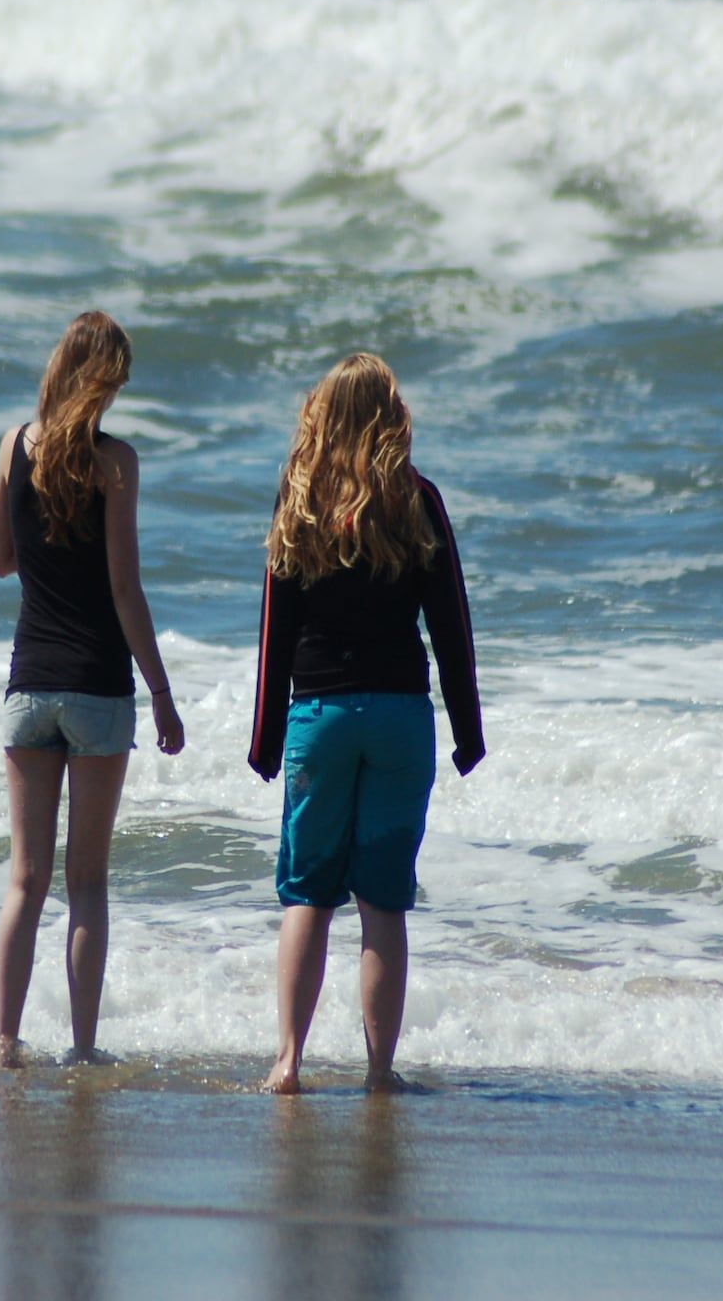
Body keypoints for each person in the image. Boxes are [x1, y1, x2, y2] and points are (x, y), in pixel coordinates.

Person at [248, 354, 484, 1093]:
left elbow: (274, 630)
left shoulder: (300, 497)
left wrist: (263, 740)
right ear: (391, 416)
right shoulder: (419, 500)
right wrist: (467, 732)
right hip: (399, 721)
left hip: (318, 716)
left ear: (320, 412)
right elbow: (452, 626)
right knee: (382, 901)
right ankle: (381, 1071)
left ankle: (288, 1063)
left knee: (307, 897)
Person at [0, 311, 184, 1068]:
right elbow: (125, 588)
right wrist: (161, 694)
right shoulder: (117, 463)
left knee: (25, 880)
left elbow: (1, 560)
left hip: (29, 685)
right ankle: (82, 1048)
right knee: (88, 883)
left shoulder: (13, 445)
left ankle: (3, 1043)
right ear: (101, 381)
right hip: (99, 687)